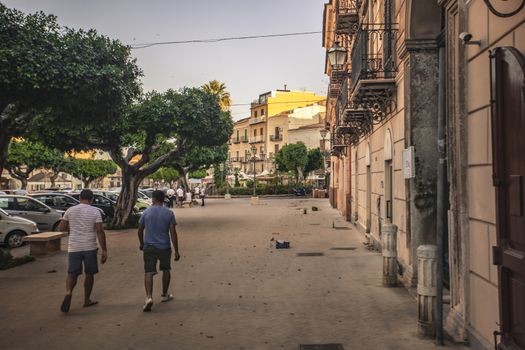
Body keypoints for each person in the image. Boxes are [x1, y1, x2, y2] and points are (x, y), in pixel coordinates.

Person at [59, 189, 108, 313]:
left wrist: (72, 226)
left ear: (80, 197)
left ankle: (69, 292)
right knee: (89, 273)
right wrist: (104, 250)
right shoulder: (95, 211)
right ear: (92, 199)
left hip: (74, 246)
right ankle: (86, 300)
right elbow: (99, 231)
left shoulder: (70, 210)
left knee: (72, 273)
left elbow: (62, 228)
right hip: (89, 247)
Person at [137, 190, 180, 312]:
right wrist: (176, 250)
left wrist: (141, 243)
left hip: (149, 246)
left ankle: (149, 297)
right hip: (164, 247)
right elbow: (173, 233)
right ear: (163, 199)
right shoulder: (169, 213)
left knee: (148, 272)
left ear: (154, 199)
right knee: (166, 270)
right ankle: (165, 294)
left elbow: (140, 230)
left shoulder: (146, 212)